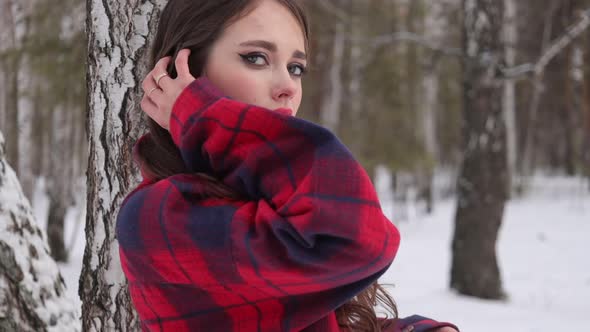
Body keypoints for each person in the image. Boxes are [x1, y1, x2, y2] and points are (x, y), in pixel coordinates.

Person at [116, 0, 459, 331]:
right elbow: (355, 237)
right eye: (256, 58)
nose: (287, 88)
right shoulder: (157, 218)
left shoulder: (269, 193)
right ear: (185, 72)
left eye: (296, 68)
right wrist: (201, 116)